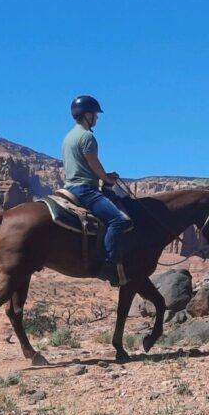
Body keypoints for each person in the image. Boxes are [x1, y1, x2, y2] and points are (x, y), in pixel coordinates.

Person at [62, 94, 132, 286]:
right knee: (118, 219)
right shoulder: (87, 137)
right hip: (85, 189)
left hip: (69, 187)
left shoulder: (68, 137)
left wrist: (104, 175)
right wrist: (107, 178)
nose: (97, 118)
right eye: (95, 114)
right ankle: (108, 264)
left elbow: (83, 165)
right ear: (86, 115)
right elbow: (94, 164)